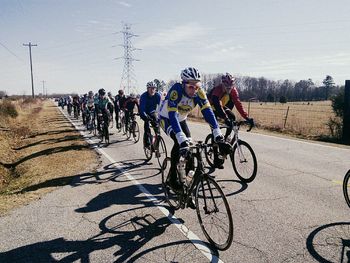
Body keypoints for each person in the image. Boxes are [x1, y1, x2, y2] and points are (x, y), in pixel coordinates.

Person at [158, 67, 232, 199]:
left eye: (197, 86)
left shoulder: (199, 92)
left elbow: (208, 113)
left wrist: (218, 136)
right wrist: (180, 138)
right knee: (179, 142)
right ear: (183, 84)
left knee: (191, 148)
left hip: (182, 119)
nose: (194, 90)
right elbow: (172, 114)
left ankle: (186, 184)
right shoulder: (176, 90)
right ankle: (173, 179)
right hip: (167, 119)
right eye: (191, 87)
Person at [207, 73, 254, 168]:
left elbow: (238, 104)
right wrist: (225, 118)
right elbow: (216, 105)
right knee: (215, 131)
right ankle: (216, 158)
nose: (229, 88)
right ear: (222, 84)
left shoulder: (233, 91)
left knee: (232, 118)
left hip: (221, 106)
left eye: (231, 85)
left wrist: (247, 118)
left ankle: (226, 139)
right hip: (210, 107)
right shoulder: (217, 90)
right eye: (226, 86)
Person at [139, 81, 161, 147]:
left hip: (152, 112)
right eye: (150, 88)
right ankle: (146, 143)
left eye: (154, 88)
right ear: (147, 89)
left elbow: (162, 106)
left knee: (157, 129)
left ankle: (156, 145)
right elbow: (142, 109)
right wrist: (146, 116)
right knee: (147, 126)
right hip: (144, 112)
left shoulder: (157, 95)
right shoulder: (143, 96)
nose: (152, 90)